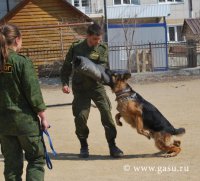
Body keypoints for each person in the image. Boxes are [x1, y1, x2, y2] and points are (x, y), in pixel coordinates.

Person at [60, 23, 123, 158]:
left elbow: (101, 68)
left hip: (96, 87)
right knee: (81, 117)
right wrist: (65, 83)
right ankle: (84, 146)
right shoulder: (76, 47)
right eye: (95, 39)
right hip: (80, 88)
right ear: (87, 36)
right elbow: (66, 66)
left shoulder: (102, 48)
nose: (97, 42)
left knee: (106, 113)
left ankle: (113, 146)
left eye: (99, 39)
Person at [0, 24, 49, 181]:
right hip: (25, 123)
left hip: (4, 125)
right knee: (35, 161)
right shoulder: (22, 62)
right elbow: (33, 92)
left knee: (12, 166)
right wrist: (43, 117)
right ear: (17, 40)